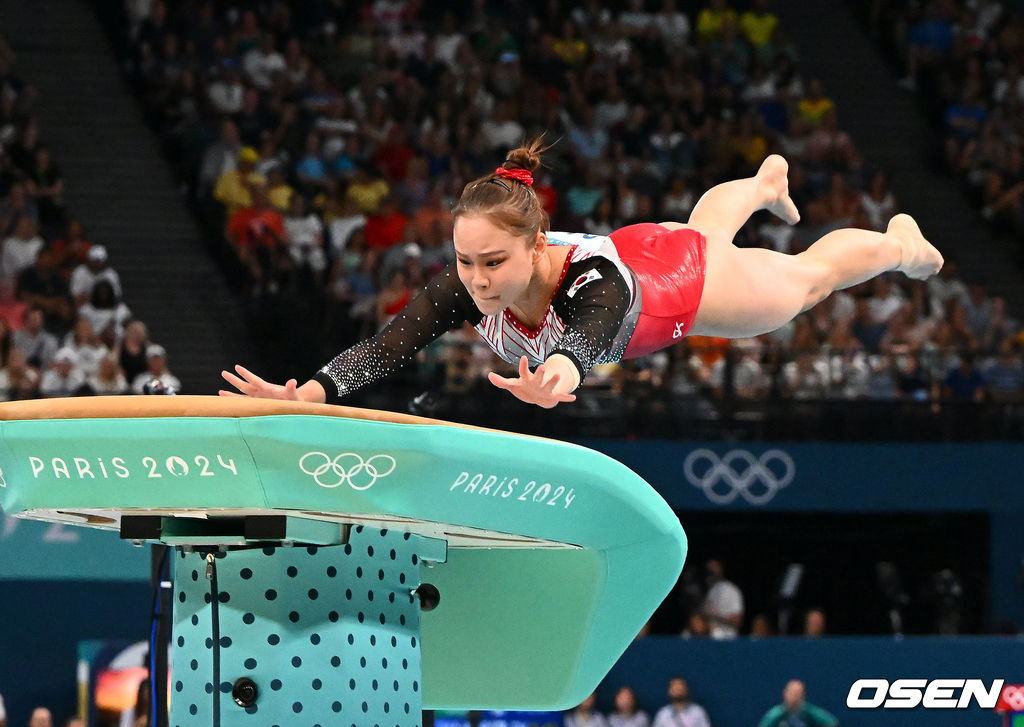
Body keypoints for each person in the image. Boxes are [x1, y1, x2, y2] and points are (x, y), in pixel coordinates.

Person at [221, 142, 943, 409]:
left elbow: (592, 338)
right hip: (651, 242)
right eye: (465, 260)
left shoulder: (592, 283)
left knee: (805, 281)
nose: (474, 279)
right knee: (701, 228)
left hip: (677, 283)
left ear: (537, 245)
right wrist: (307, 391)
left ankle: (896, 244)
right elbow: (392, 343)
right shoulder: (466, 282)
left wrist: (559, 376)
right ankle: (759, 184)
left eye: (493, 262)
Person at [757, 680, 838, 727]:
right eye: (792, 693)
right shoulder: (776, 714)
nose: (795, 697)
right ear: (785, 693)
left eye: (798, 693)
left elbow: (832, 722)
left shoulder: (809, 711)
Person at [700, 558, 744, 639]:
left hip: (728, 638)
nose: (711, 572)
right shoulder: (709, 591)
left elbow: (737, 620)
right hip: (710, 638)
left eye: (714, 568)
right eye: (709, 570)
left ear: (721, 569)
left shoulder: (732, 590)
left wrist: (714, 616)